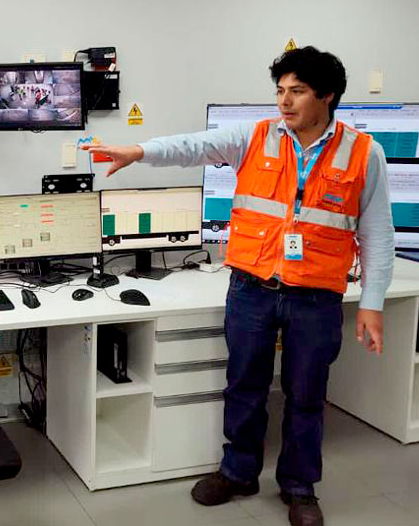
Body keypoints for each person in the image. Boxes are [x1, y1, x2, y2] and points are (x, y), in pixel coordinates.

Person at [84, 46, 394, 526]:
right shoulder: (256, 137)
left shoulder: (363, 153)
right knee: (244, 386)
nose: (284, 101)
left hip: (316, 296)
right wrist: (138, 151)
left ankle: (299, 487)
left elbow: (377, 234)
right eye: (280, 90)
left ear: (327, 96)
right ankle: (238, 472)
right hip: (251, 288)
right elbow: (191, 146)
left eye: (297, 91)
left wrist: (372, 303)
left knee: (307, 395)